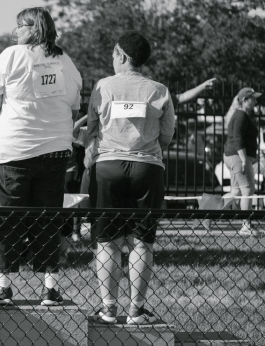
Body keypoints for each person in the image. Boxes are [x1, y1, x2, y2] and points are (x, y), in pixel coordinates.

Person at [0, 7, 82, 306]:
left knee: (5, 220)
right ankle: (50, 288)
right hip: (56, 152)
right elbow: (73, 108)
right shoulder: (66, 61)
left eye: (19, 25)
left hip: (14, 152)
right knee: (49, 220)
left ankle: (3, 287)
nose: (14, 31)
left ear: (34, 28)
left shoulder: (11, 55)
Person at [87, 32, 176, 325]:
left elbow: (90, 129)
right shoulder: (159, 90)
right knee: (141, 243)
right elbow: (166, 136)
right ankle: (136, 310)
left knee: (107, 242)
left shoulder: (103, 86)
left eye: (113, 55)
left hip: (108, 167)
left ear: (121, 55)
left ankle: (108, 308)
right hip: (147, 168)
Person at [223, 87, 262, 236]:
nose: (256, 101)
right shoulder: (241, 115)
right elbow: (238, 138)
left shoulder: (240, 114)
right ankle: (246, 227)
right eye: (253, 99)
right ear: (245, 101)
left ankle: (205, 213)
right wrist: (244, 159)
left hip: (233, 156)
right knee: (247, 190)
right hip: (238, 157)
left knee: (236, 191)